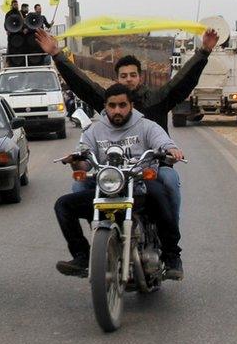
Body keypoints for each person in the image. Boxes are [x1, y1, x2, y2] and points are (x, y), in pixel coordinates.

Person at [35, 28, 218, 221]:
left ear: (140, 77)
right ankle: (98, 227)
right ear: (117, 79)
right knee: (78, 186)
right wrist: (57, 54)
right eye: (123, 76)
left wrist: (203, 52)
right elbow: (82, 84)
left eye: (132, 75)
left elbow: (183, 82)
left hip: (154, 167)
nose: (128, 79)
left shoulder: (158, 99)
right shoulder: (110, 101)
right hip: (115, 169)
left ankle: (171, 232)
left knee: (171, 180)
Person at [54, 83, 185, 280]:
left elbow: (165, 144)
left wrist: (171, 151)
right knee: (63, 205)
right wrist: (75, 161)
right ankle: (82, 257)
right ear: (105, 107)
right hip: (108, 188)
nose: (117, 110)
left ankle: (172, 256)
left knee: (159, 194)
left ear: (131, 105)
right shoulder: (94, 131)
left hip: (140, 186)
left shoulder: (147, 126)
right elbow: (83, 161)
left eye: (122, 105)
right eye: (112, 105)